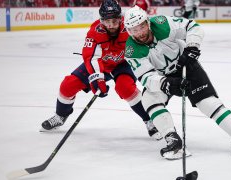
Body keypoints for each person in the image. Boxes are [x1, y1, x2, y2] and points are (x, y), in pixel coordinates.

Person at [124, 6, 231, 159]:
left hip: (187, 66)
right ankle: (173, 140)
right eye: (134, 30)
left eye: (142, 26)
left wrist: (192, 47)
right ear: (129, 31)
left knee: (207, 103)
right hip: (163, 77)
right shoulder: (131, 50)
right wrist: (166, 83)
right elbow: (146, 77)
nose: (140, 32)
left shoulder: (162, 24)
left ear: (147, 23)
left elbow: (192, 26)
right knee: (149, 99)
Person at [41, 0, 162, 141]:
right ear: (101, 20)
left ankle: (149, 120)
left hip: (123, 64)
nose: (111, 25)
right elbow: (91, 57)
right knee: (68, 84)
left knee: (126, 88)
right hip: (102, 65)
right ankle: (61, 115)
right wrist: (97, 78)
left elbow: (145, 40)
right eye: (107, 21)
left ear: (120, 18)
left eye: (115, 21)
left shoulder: (130, 26)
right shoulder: (95, 31)